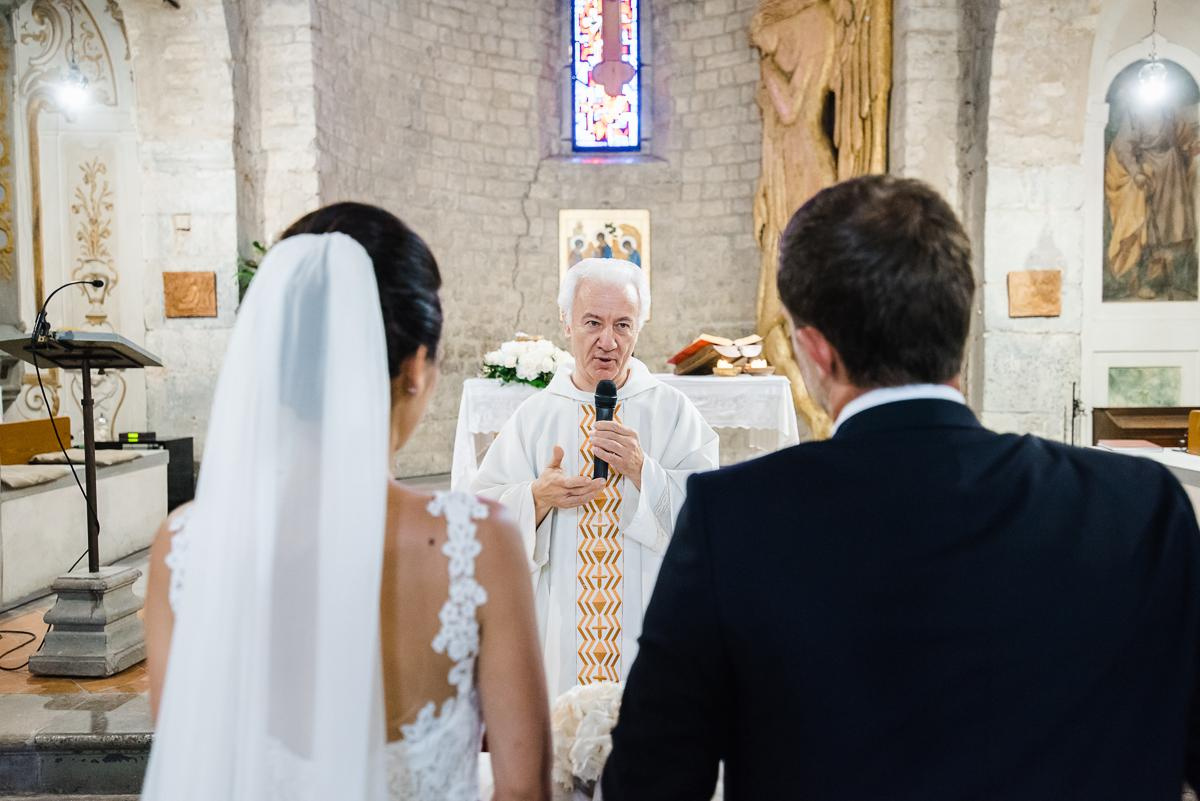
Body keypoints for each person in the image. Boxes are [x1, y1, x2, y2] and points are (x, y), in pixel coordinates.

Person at [602, 176, 1200, 800]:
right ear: (960, 322)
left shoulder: (733, 520)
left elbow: (650, 784)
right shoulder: (1138, 508)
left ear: (815, 351)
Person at [141, 203, 551, 801]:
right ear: (417, 367)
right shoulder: (479, 542)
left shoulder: (183, 547)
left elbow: (187, 769)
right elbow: (524, 793)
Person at [472, 258, 718, 698]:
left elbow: (711, 520)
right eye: (593, 323)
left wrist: (644, 471)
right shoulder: (536, 416)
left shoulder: (672, 411)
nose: (608, 341)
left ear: (639, 328)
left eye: (623, 325)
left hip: (651, 620)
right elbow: (480, 517)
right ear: (567, 323)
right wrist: (536, 498)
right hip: (561, 628)